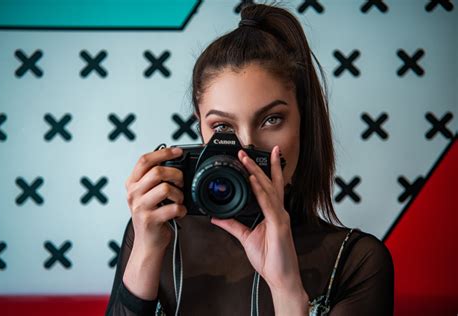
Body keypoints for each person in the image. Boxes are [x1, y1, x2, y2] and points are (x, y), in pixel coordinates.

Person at [105, 3, 394, 316]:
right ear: (200, 129)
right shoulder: (158, 234)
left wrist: (287, 288)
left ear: (304, 123)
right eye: (223, 127)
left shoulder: (357, 262)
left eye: (271, 120)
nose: (245, 150)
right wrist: (146, 253)